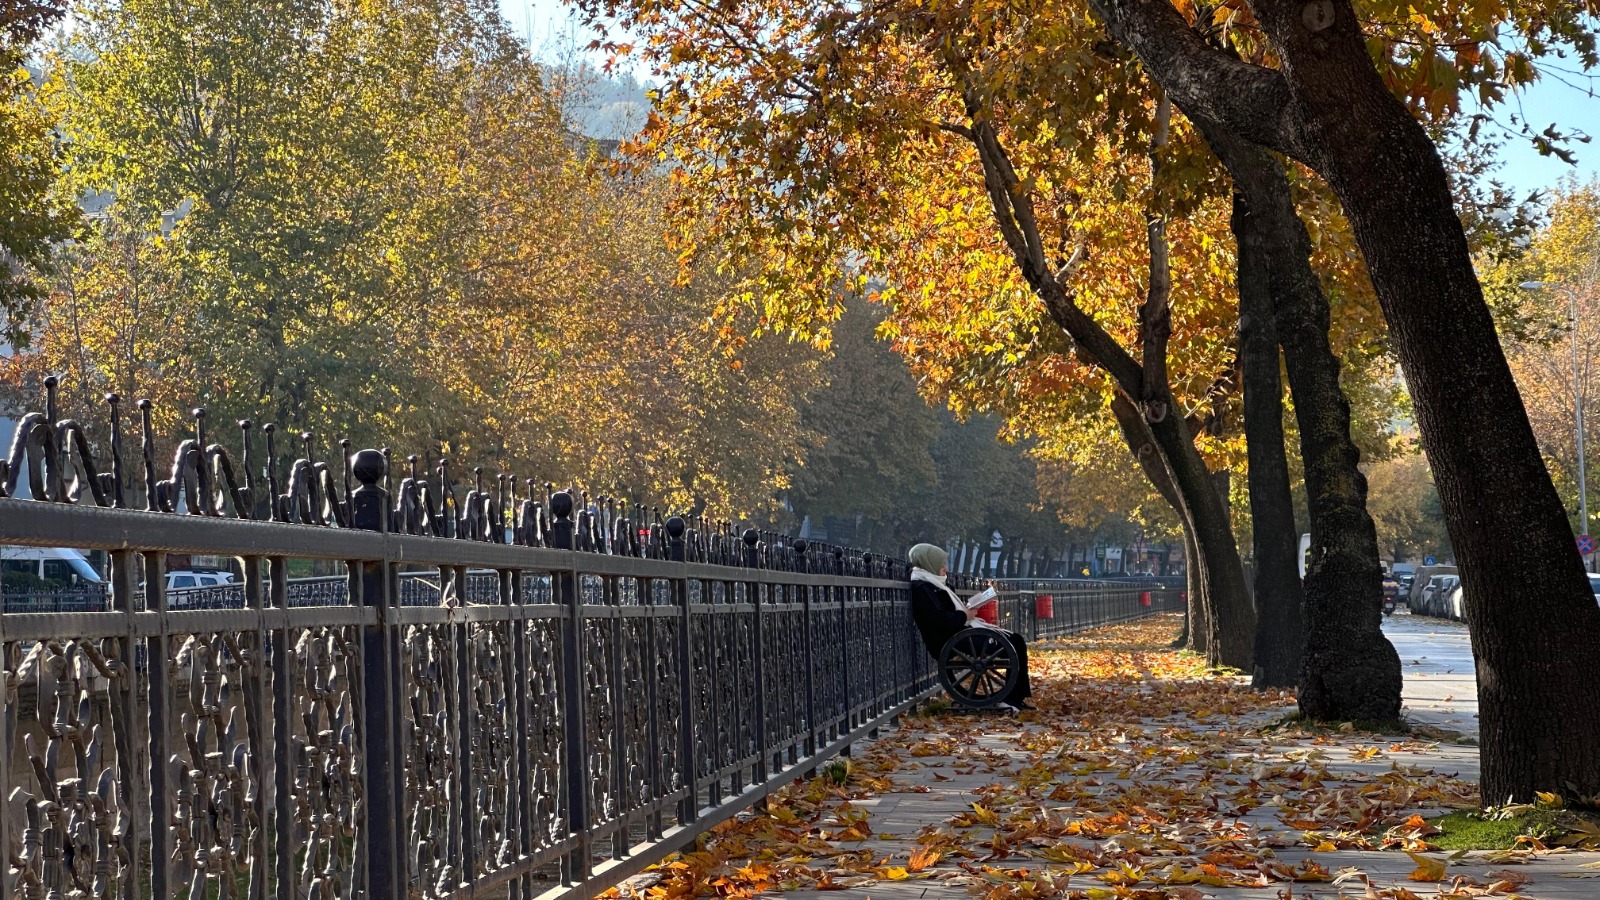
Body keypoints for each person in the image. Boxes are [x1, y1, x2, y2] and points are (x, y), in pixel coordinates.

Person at [907, 543, 1034, 711]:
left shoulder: (934, 584)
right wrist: (964, 615)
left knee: (1016, 640)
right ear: (929, 563)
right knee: (1015, 642)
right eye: (941, 564)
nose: (945, 568)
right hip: (952, 641)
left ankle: (1015, 697)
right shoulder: (922, 588)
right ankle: (1011, 698)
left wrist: (966, 612)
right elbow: (938, 619)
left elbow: (946, 613)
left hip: (960, 634)